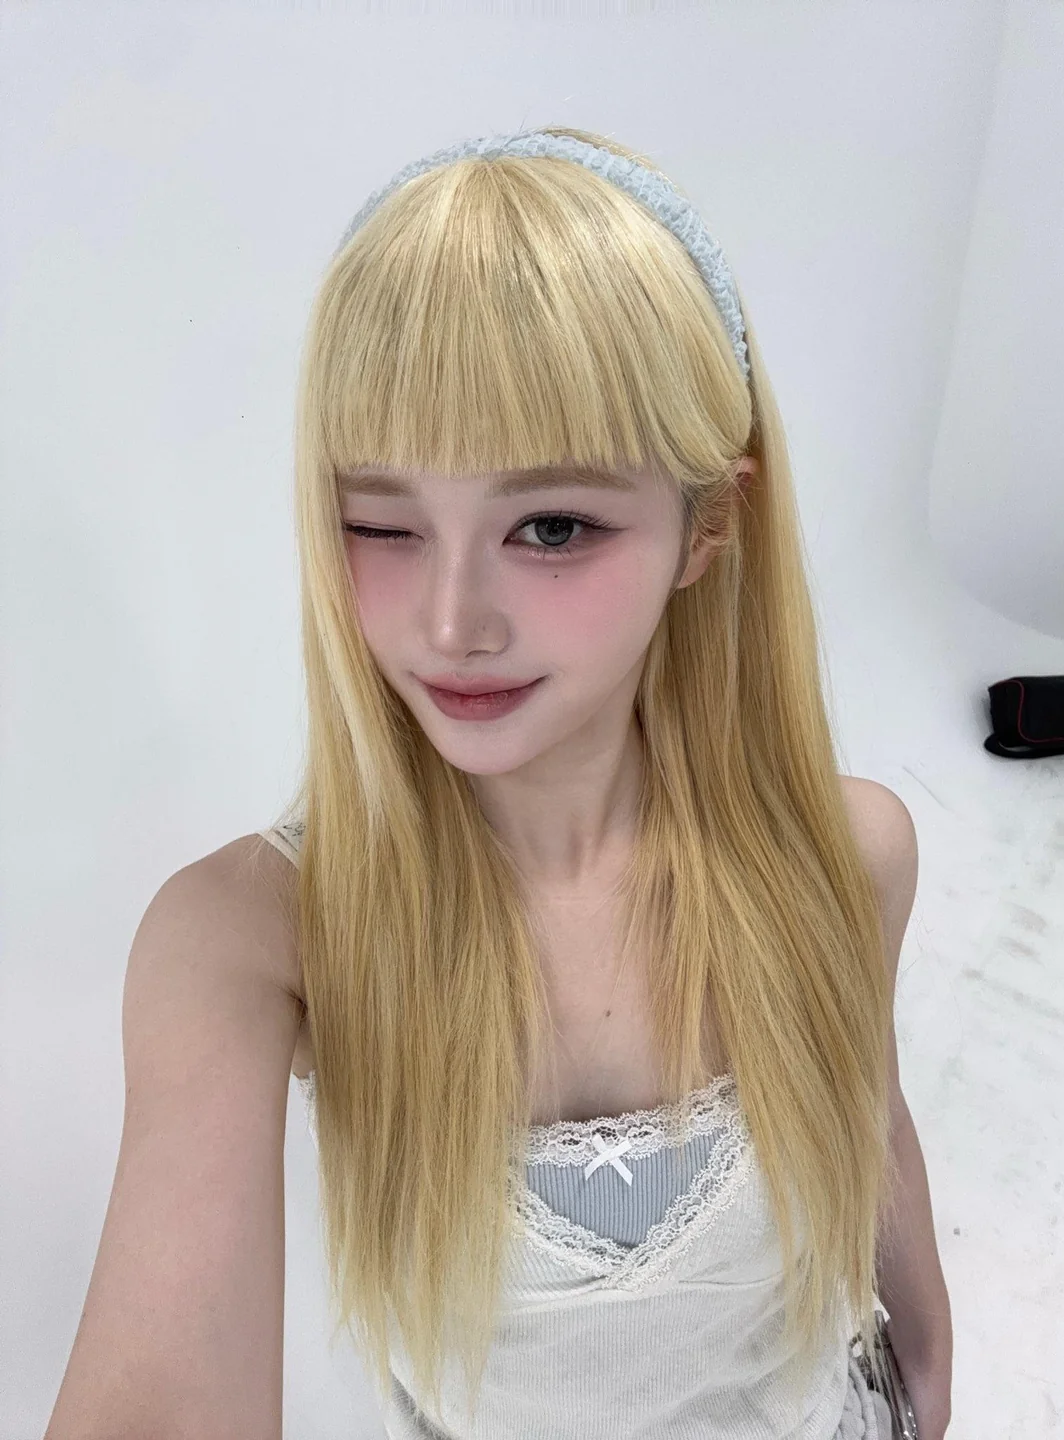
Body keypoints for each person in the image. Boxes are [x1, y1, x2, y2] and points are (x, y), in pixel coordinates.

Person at [46, 126, 952, 1440]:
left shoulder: (847, 855)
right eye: (381, 522)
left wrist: (925, 1344)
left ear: (709, 524)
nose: (451, 622)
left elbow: (866, 1114)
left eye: (551, 526)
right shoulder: (250, 941)